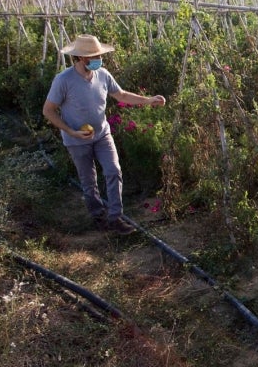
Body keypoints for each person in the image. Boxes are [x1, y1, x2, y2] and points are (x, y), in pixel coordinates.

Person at [43, 34, 166, 234]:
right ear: (82, 58)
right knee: (88, 180)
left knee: (113, 170)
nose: (99, 59)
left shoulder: (103, 75)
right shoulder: (63, 80)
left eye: (100, 55)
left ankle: (115, 217)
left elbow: (122, 95)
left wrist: (148, 100)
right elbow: (48, 110)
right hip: (76, 140)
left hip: (102, 135)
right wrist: (70, 131)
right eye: (95, 56)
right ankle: (97, 215)